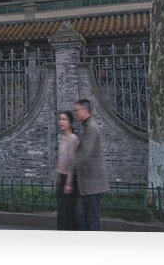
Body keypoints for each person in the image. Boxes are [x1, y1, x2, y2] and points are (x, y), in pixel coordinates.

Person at [73, 99, 109, 231]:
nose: (75, 113)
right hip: (87, 185)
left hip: (94, 185)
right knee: (80, 214)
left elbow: (84, 153)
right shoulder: (87, 126)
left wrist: (68, 166)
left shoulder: (91, 128)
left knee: (93, 219)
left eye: (77, 110)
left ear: (85, 110)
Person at [55, 110, 79, 230]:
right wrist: (58, 178)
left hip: (69, 180)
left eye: (64, 119)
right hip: (62, 177)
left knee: (68, 212)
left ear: (70, 122)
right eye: (60, 119)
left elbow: (72, 162)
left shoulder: (72, 138)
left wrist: (69, 183)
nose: (61, 122)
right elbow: (61, 160)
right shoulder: (63, 138)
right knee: (61, 210)